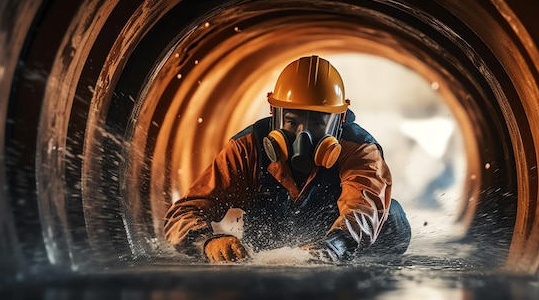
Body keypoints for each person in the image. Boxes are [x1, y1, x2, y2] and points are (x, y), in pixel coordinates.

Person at [164, 55, 411, 263]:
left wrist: (333, 247)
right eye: (292, 121)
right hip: (268, 241)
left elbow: (362, 211)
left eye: (317, 123)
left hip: (336, 244)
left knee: (392, 216)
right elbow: (184, 213)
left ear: (341, 119)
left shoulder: (358, 150)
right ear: (274, 113)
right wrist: (209, 242)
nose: (303, 134)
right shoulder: (247, 148)